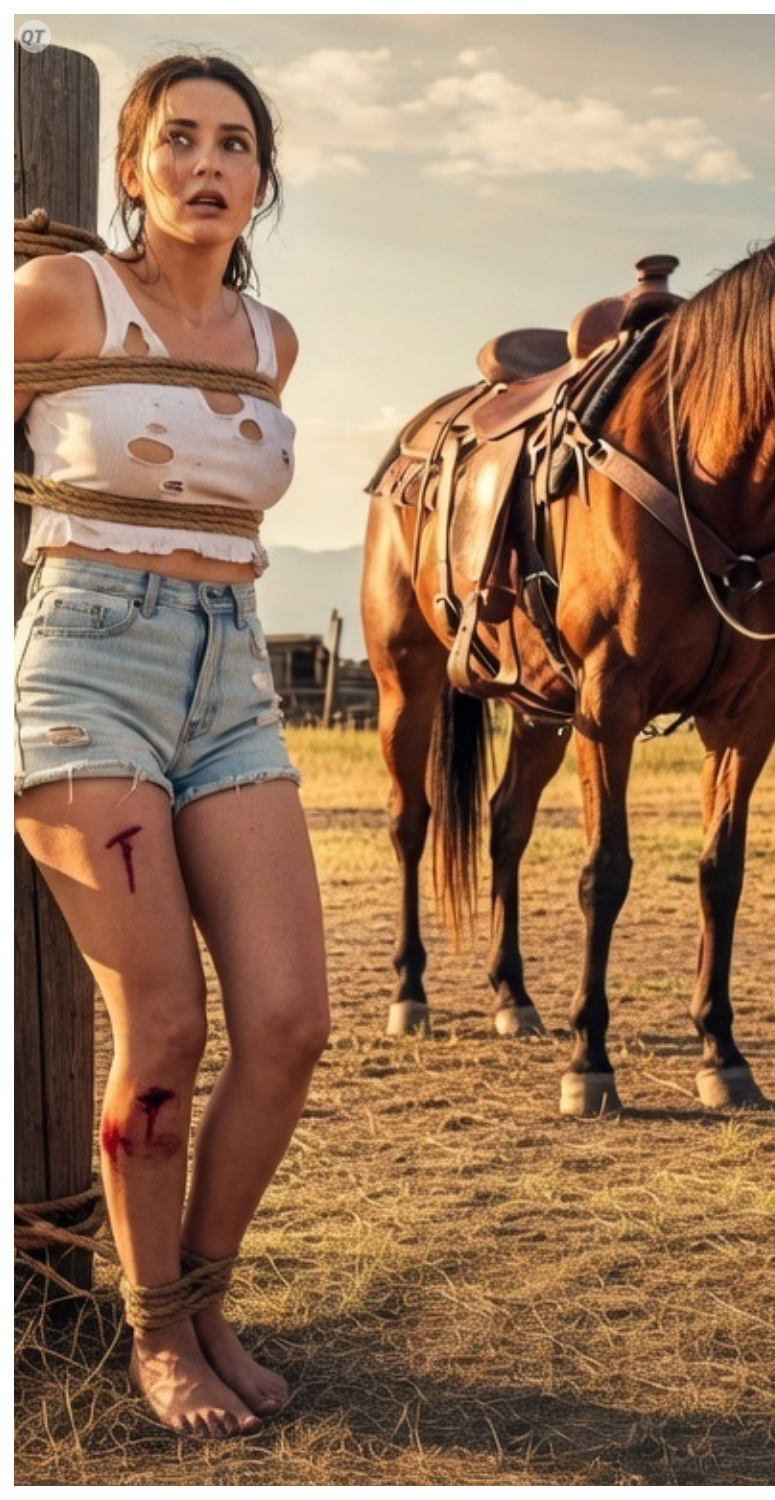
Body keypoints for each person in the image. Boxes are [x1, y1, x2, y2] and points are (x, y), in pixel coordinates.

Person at [14, 54, 330, 1436]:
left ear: (263, 178)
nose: (210, 165)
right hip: (89, 667)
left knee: (288, 1024)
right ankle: (154, 1334)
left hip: (233, 673)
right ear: (133, 165)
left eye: (237, 145)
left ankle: (204, 1292)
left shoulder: (275, 340)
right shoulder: (63, 298)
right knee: (168, 1030)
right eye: (181, 140)